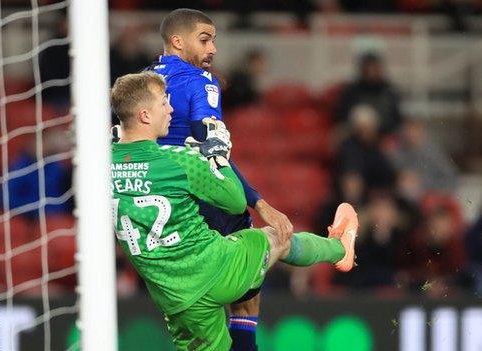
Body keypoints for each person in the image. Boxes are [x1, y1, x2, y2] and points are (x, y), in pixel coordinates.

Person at [110, 71, 358, 351]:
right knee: (277, 236)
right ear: (144, 115)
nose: (170, 109)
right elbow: (236, 201)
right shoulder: (179, 161)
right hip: (218, 267)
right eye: (162, 103)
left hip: (175, 297)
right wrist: (217, 154)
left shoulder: (101, 164)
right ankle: (339, 248)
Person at [148, 9, 293, 350]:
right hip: (206, 196)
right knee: (248, 290)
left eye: (214, 39)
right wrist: (260, 203)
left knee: (197, 314)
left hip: (161, 206)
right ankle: (336, 247)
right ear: (177, 41)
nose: (213, 48)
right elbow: (211, 149)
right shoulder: (201, 81)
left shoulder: (142, 83)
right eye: (204, 39)